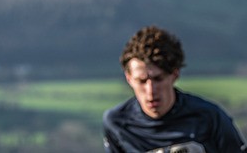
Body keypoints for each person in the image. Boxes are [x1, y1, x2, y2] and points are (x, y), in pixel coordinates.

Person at [103, 25, 247, 152]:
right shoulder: (117, 123)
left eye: (158, 79)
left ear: (174, 74)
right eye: (141, 81)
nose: (150, 90)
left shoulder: (210, 117)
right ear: (129, 78)